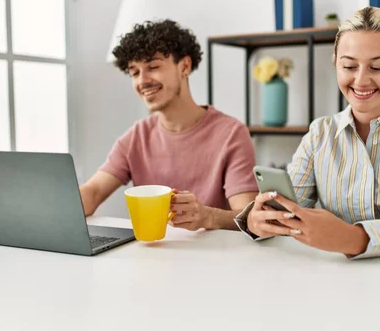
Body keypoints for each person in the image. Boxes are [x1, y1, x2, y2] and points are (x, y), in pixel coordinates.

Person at [235, 7, 380, 259]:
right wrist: (259, 221)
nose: (361, 80)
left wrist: (351, 238)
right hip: (338, 281)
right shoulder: (320, 134)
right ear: (336, 64)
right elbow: (290, 209)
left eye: (377, 67)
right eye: (349, 66)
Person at [80, 19, 258, 231]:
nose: (142, 81)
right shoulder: (136, 137)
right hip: (152, 255)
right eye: (134, 72)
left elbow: (249, 217)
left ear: (184, 66)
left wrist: (207, 216)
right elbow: (94, 191)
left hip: (213, 257)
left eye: (153, 67)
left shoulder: (231, 134)